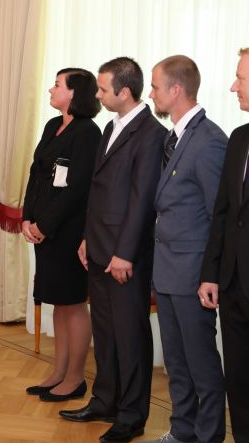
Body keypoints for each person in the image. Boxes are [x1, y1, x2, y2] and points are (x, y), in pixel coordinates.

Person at [59, 57, 167, 443]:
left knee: (130, 336)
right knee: (105, 334)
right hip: (99, 248)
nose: (98, 94)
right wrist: (87, 237)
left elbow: (142, 200)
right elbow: (98, 190)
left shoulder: (151, 134)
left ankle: (132, 416)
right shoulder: (109, 127)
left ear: (124, 92)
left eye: (103, 89)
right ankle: (104, 400)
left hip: (125, 257)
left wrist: (125, 253)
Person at [143, 55, 227, 443]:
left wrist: (210, 275)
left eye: (155, 87)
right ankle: (182, 431)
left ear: (176, 90)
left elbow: (218, 217)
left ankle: (208, 436)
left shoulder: (209, 141)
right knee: (176, 363)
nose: (151, 94)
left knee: (201, 365)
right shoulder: (173, 137)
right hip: (167, 270)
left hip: (193, 274)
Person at [21, 68, 101, 402]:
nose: (51, 90)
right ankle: (58, 372)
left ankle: (75, 378)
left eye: (57, 85)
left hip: (68, 231)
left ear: (74, 93)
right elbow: (36, 173)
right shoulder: (53, 125)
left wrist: (45, 225)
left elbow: (77, 189)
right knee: (58, 301)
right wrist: (27, 217)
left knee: (73, 303)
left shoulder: (88, 132)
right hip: (44, 228)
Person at [200, 47, 249, 443]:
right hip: (233, 286)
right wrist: (211, 274)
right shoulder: (239, 138)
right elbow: (223, 214)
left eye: (241, 78)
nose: (234, 87)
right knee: (239, 383)